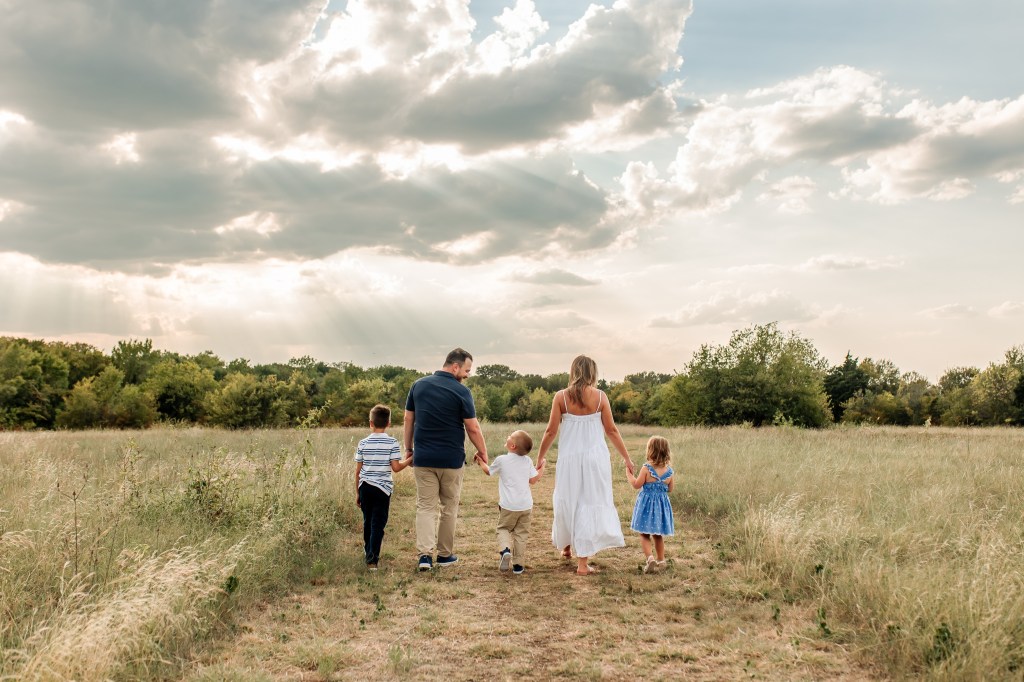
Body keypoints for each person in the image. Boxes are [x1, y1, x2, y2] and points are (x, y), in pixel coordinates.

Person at [536, 355, 634, 576]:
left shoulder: (561, 397)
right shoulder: (600, 397)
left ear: (573, 371)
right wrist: (626, 458)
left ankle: (570, 549)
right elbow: (612, 430)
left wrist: (540, 457)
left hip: (569, 458)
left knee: (568, 498)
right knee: (588, 501)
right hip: (594, 458)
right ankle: (579, 561)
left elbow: (551, 431)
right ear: (593, 373)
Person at [404, 348, 488, 572]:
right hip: (451, 459)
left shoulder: (418, 385)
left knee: (425, 507)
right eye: (467, 370)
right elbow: (472, 427)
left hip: (423, 458)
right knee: (449, 507)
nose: (467, 375)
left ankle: (424, 556)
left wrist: (408, 449)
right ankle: (444, 555)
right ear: (455, 367)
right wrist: (483, 452)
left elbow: (408, 418)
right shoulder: (461, 392)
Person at [474, 430, 544, 575]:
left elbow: (489, 471)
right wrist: (542, 468)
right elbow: (533, 480)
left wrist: (481, 462)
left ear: (512, 446)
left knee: (503, 529)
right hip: (525, 506)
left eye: (510, 436)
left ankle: (505, 550)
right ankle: (518, 565)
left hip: (508, 506)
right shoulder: (527, 461)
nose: (508, 437)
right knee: (521, 534)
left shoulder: (502, 460)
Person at [354, 404, 414, 571]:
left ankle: (369, 553)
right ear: (388, 423)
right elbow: (396, 467)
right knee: (378, 524)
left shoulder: (363, 443)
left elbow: (358, 471)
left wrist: (358, 492)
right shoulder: (392, 442)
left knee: (367, 522)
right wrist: (410, 460)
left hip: (365, 486)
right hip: (382, 489)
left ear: (370, 423)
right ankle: (372, 559)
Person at [625, 435, 675, 574]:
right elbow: (670, 489)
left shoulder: (646, 468)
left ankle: (650, 558)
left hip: (646, 506)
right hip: (660, 507)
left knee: (644, 533)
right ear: (666, 452)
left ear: (650, 451)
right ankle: (661, 560)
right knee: (658, 534)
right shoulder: (669, 471)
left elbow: (636, 484)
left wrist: (629, 474)